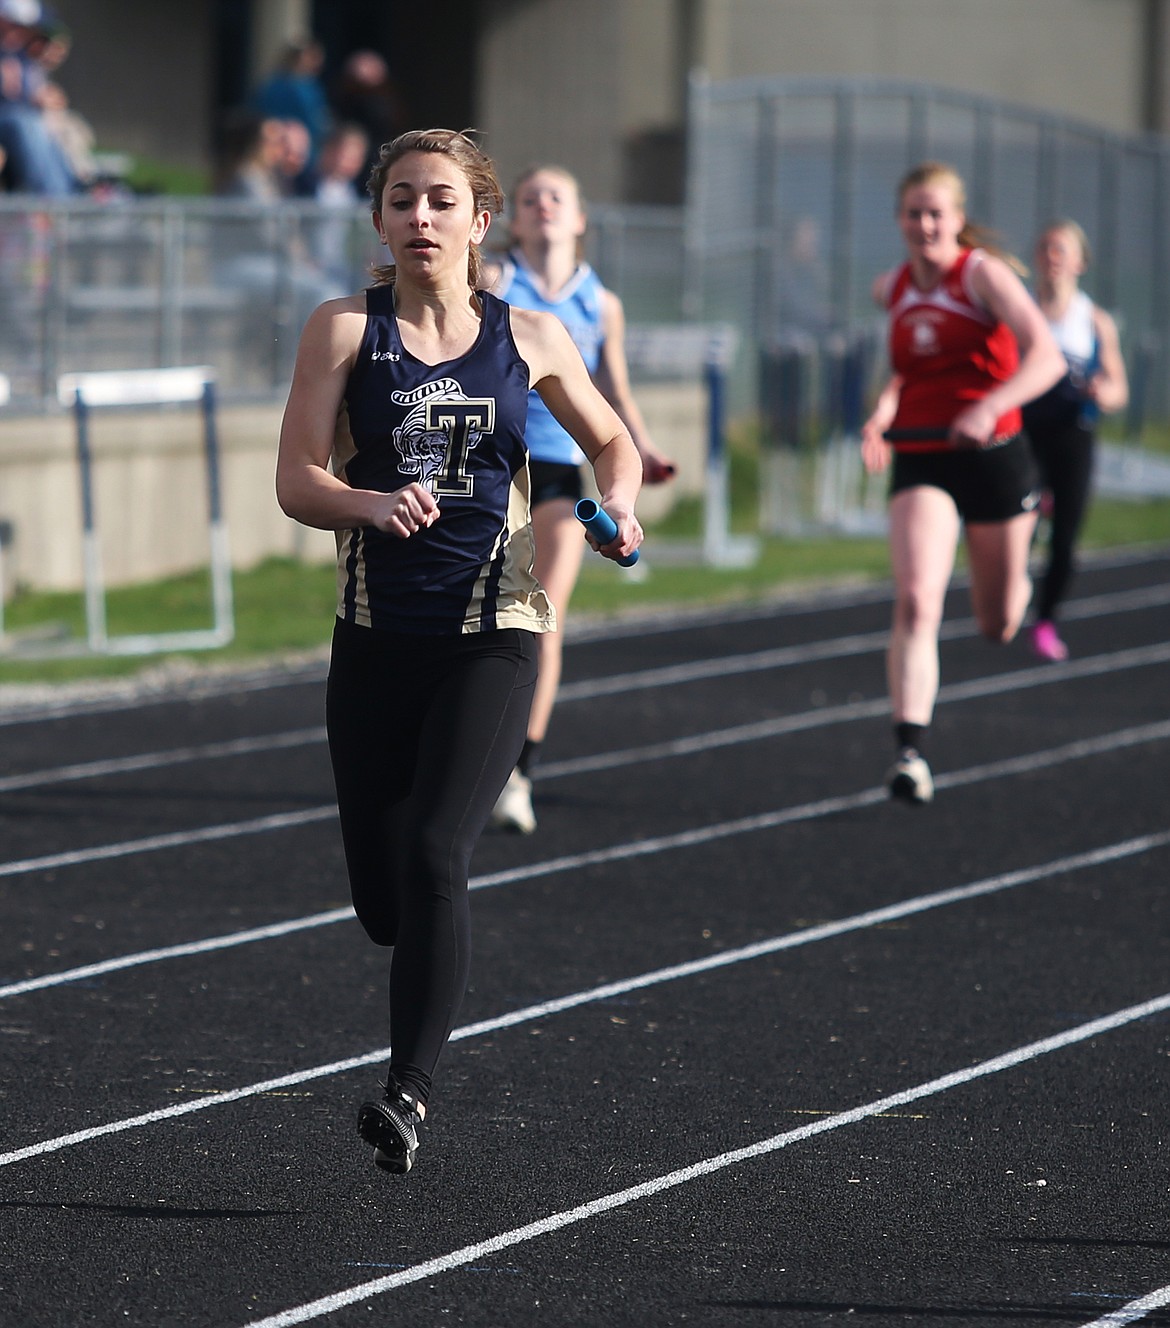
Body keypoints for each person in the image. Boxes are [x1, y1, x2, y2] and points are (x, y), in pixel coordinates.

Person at [274, 128, 643, 1176]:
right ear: (381, 220)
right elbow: (297, 479)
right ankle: (408, 980)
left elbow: (611, 438)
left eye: (440, 201)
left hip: (494, 628)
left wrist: (616, 505)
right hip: (377, 633)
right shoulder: (345, 330)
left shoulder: (527, 334)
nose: (420, 219)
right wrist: (368, 499)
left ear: (482, 222)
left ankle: (408, 1092)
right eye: (401, 201)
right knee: (384, 899)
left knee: (440, 851)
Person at [860, 161, 1065, 804]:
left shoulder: (981, 274)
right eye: (913, 213)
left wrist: (986, 405)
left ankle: (1027, 534)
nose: (924, 224)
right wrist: (879, 414)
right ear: (898, 220)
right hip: (922, 455)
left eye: (935, 213)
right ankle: (910, 751)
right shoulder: (890, 287)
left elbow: (1048, 357)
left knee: (998, 621)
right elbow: (902, 372)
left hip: (995, 454)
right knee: (918, 598)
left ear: (955, 219)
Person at [482, 163, 676, 834]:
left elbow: (611, 391)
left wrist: (642, 449)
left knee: (542, 613)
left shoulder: (602, 302)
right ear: (513, 218)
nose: (540, 207)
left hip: (561, 468)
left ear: (579, 218)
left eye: (554, 198)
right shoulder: (495, 280)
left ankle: (520, 771)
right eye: (529, 198)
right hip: (496, 464)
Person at [1021, 220, 1129, 662]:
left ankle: (1046, 620)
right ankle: (1011, 599)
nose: (1052, 256)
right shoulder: (1020, 311)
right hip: (1024, 434)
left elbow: (1119, 386)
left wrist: (1105, 393)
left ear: (1080, 261)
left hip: (1072, 437)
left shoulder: (1095, 320)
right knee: (1018, 529)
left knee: (1065, 538)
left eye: (1061, 249)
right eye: (1046, 247)